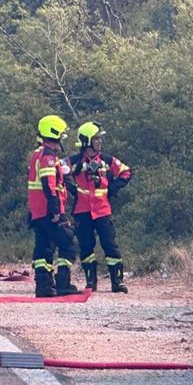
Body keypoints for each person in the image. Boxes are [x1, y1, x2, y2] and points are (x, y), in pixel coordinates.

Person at [65, 121, 132, 292]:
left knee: (110, 245)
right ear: (87, 141)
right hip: (82, 210)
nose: (100, 142)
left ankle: (117, 282)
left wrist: (111, 188)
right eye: (96, 139)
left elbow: (126, 172)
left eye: (100, 139)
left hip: (102, 210)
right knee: (86, 246)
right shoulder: (73, 161)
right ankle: (91, 282)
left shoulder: (106, 160)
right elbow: (56, 171)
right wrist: (72, 188)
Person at [27, 114, 81, 297]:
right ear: (54, 134)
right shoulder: (48, 157)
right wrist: (55, 210)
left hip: (38, 210)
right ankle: (63, 282)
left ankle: (44, 286)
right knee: (67, 243)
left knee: (44, 247)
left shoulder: (38, 154)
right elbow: (48, 185)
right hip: (49, 210)